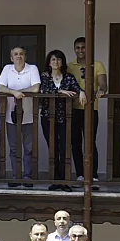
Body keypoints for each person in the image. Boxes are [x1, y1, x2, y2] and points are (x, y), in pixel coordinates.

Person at [40, 50, 85, 192]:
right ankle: (55, 181)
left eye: (58, 59)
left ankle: (65, 182)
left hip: (65, 118)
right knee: (53, 149)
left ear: (62, 62)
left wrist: (81, 92)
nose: (56, 62)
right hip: (48, 117)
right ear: (49, 62)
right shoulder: (45, 76)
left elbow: (76, 88)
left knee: (65, 149)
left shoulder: (68, 77)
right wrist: (60, 92)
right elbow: (44, 90)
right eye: (53, 59)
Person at [0, 46, 41, 187]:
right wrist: (14, 92)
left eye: (21, 54)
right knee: (14, 148)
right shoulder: (7, 69)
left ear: (25, 57)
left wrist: (18, 92)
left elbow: (35, 88)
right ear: (11, 58)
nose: (18, 56)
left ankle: (27, 176)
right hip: (11, 115)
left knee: (29, 148)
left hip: (29, 115)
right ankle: (16, 176)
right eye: (15, 54)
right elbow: (0, 88)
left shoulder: (32, 68)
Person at [68, 37, 107, 186]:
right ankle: (80, 174)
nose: (80, 50)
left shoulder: (97, 65)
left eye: (83, 47)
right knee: (75, 143)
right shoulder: (69, 66)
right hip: (73, 110)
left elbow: (103, 84)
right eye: (78, 48)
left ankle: (93, 175)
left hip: (91, 109)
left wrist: (101, 90)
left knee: (90, 143)